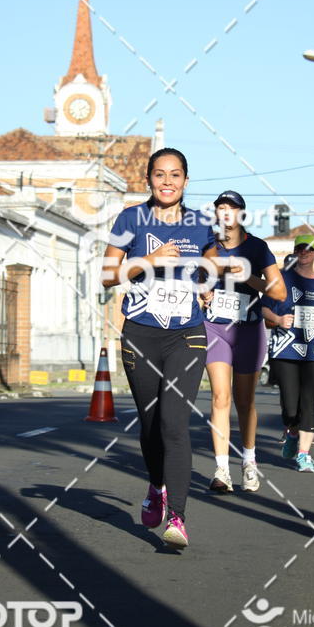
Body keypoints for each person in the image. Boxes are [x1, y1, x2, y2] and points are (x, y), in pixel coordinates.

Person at [101, 148, 217, 548]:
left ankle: (178, 518)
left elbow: (213, 259)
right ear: (148, 179)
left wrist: (207, 282)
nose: (167, 181)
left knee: (174, 423)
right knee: (151, 426)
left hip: (186, 334)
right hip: (141, 333)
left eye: (175, 175)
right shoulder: (130, 218)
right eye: (159, 174)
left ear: (186, 180)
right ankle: (155, 485)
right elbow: (107, 275)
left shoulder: (202, 224)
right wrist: (148, 259)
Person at [203, 190, 285, 493]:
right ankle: (221, 469)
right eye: (221, 208)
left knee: (245, 400)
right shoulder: (209, 248)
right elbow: (198, 280)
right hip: (215, 327)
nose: (226, 213)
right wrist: (204, 293)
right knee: (220, 396)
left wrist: (249, 277)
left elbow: (279, 294)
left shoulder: (258, 248)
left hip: (248, 329)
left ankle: (249, 462)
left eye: (231, 208)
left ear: (241, 214)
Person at [261, 234, 314, 472]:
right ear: (295, 252)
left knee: (310, 402)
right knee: (291, 406)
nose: (304, 253)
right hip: (285, 351)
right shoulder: (282, 279)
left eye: (309, 249)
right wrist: (278, 318)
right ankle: (291, 431)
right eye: (300, 249)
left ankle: (304, 454)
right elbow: (264, 309)